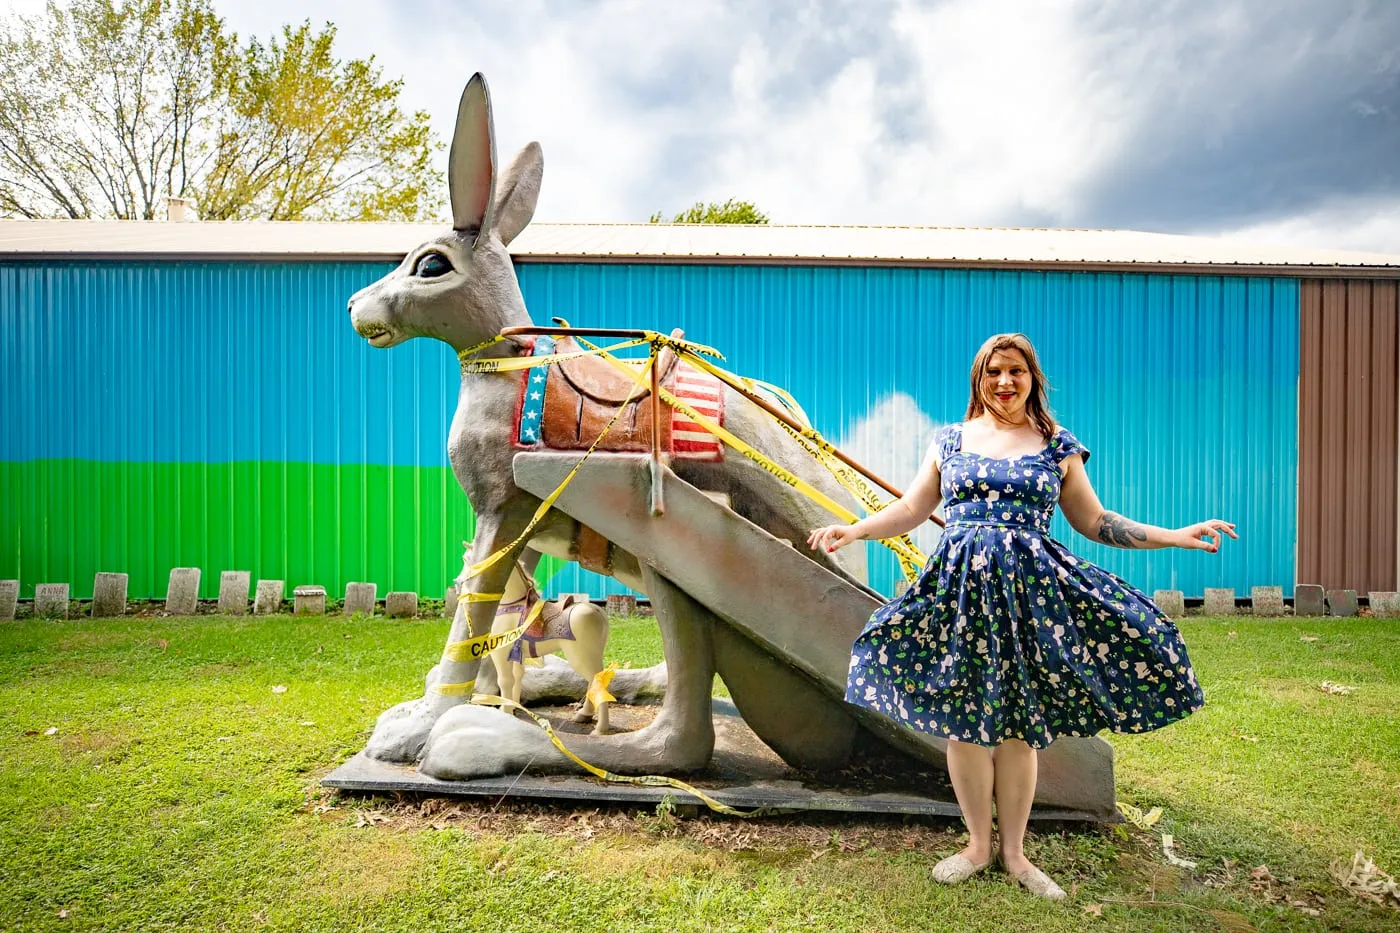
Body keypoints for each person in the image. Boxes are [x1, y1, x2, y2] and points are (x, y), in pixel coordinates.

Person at [808, 333, 1235, 900]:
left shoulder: (1056, 444)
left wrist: (1175, 537)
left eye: (1015, 371)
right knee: (964, 723)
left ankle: (1014, 854)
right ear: (978, 380)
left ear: (1033, 378)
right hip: (959, 598)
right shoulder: (950, 440)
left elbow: (1096, 521)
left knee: (1016, 729)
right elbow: (913, 509)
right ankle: (976, 847)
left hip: (1032, 602)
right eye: (993, 372)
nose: (1004, 382)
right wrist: (855, 528)